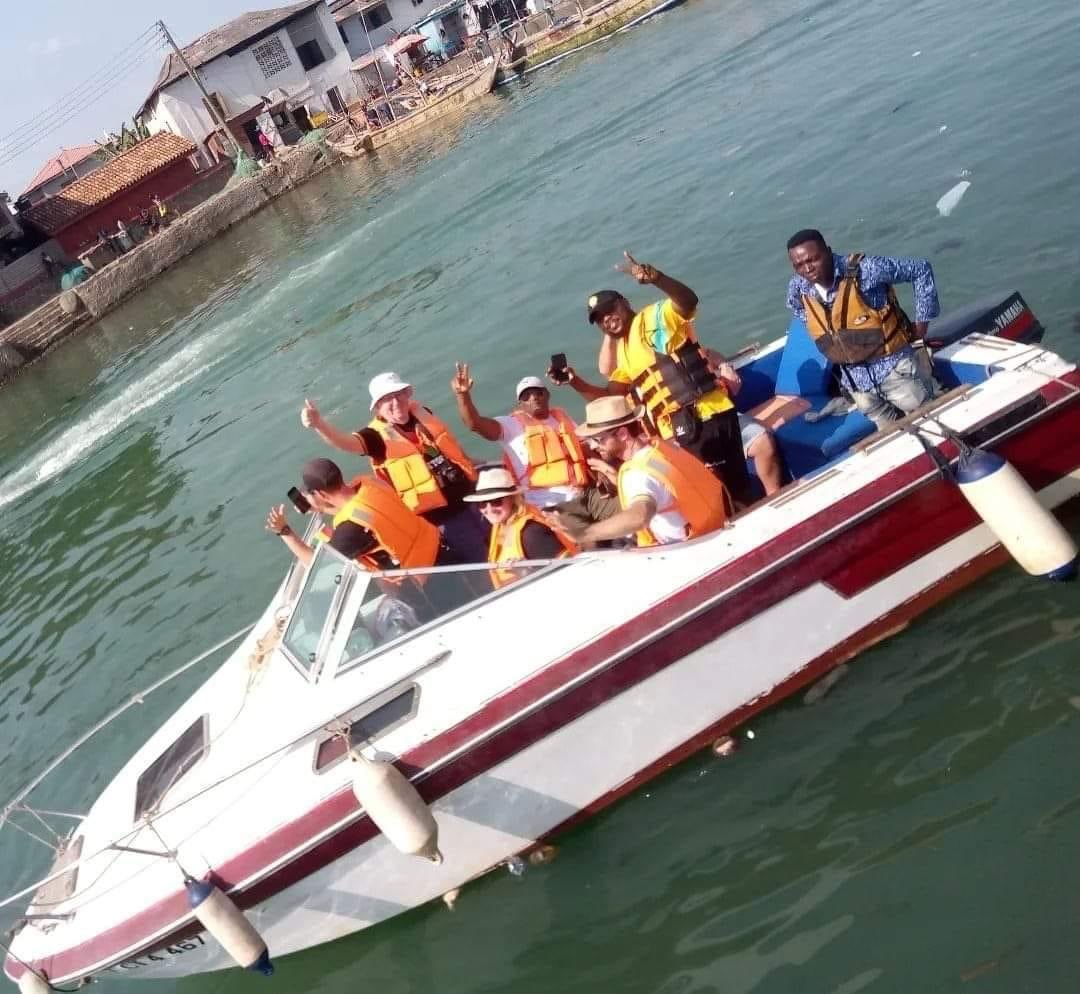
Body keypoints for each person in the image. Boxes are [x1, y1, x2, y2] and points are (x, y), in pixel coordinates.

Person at [571, 252, 753, 506]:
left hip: (704, 416)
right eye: (600, 320)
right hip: (681, 427)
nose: (607, 319)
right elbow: (610, 396)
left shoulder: (655, 316)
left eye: (610, 310)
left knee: (721, 490)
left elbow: (688, 302)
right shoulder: (623, 349)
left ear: (624, 302)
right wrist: (574, 381)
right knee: (719, 492)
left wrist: (657, 278)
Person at [301, 372, 489, 563]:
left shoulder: (423, 414)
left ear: (408, 394)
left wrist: (473, 463)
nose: (396, 401)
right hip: (442, 520)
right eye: (387, 399)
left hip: (472, 498)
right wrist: (319, 425)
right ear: (377, 408)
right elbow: (346, 443)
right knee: (481, 560)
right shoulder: (374, 438)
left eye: (399, 393)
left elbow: (444, 452)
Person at [265, 458, 475, 617]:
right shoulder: (369, 483)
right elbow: (367, 511)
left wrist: (284, 531)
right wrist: (320, 507)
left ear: (319, 494)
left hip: (428, 590)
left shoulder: (349, 530)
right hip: (446, 557)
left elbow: (317, 564)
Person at [785, 229, 940, 429]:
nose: (807, 269)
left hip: (896, 371)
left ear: (828, 252)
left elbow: (920, 270)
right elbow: (796, 307)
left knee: (934, 424)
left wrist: (922, 322)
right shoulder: (798, 288)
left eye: (812, 260)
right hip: (858, 385)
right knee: (894, 441)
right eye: (799, 265)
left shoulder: (867, 269)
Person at [451, 363, 618, 529]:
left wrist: (601, 471)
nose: (533, 398)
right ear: (520, 403)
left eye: (538, 392)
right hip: (548, 504)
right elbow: (474, 424)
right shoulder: (509, 426)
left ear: (547, 395)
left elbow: (584, 447)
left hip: (584, 493)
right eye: (526, 396)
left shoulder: (561, 418)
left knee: (624, 510)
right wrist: (462, 395)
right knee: (589, 536)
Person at [564, 396, 729, 548]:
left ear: (622, 434)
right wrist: (614, 477)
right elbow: (661, 485)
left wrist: (583, 533)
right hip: (715, 528)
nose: (593, 447)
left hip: (691, 547)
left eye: (598, 440)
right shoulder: (660, 449)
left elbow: (640, 517)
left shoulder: (636, 475)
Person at [462, 467, 577, 589]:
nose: (488, 509)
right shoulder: (501, 526)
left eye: (496, 501)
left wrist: (525, 573)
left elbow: (566, 575)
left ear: (513, 499)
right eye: (482, 503)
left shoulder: (532, 532)